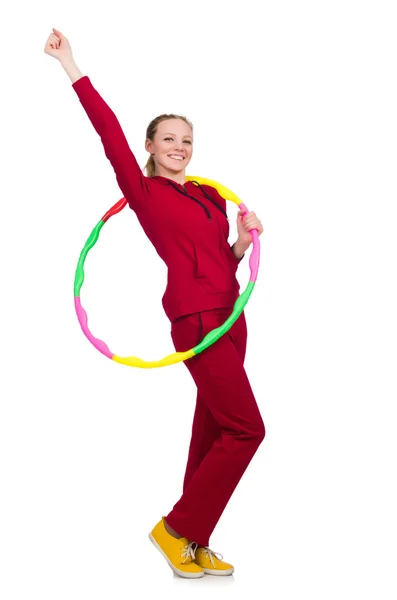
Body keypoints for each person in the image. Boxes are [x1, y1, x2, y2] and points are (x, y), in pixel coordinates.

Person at [45, 28, 266, 579]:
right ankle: (175, 528)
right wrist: (71, 65)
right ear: (150, 146)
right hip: (195, 320)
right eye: (168, 139)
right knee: (248, 430)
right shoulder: (145, 195)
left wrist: (243, 239)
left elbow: (223, 260)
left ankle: (195, 537)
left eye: (186, 140)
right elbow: (108, 130)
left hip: (231, 317)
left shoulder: (211, 196)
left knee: (215, 429)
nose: (179, 147)